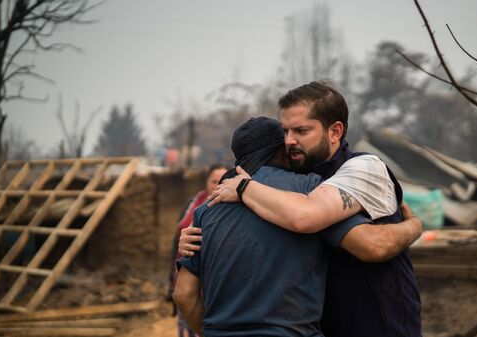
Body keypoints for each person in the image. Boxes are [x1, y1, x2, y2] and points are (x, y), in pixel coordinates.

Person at [203, 81, 422, 337]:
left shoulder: (365, 168)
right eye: (285, 131)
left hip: (380, 327)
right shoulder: (301, 178)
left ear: (335, 132)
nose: (289, 141)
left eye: (301, 131)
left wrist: (244, 188)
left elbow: (309, 217)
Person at [169, 164, 228, 337]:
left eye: (221, 181)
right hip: (186, 274)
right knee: (188, 320)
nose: (217, 185)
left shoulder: (233, 208)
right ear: (206, 182)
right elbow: (176, 243)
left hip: (213, 282)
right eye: (213, 181)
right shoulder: (193, 204)